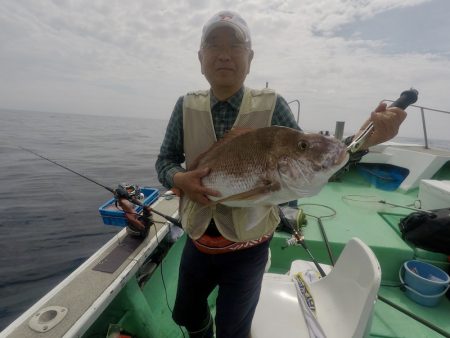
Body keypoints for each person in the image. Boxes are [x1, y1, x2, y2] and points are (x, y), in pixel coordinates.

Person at [155, 10, 406, 338]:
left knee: (234, 331)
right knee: (186, 315)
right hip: (197, 240)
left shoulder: (274, 105)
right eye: (213, 45)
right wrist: (179, 180)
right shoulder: (184, 105)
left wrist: (363, 141)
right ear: (200, 57)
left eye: (236, 45)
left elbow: (314, 161)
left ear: (251, 56)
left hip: (249, 248)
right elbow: (165, 162)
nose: (225, 54)